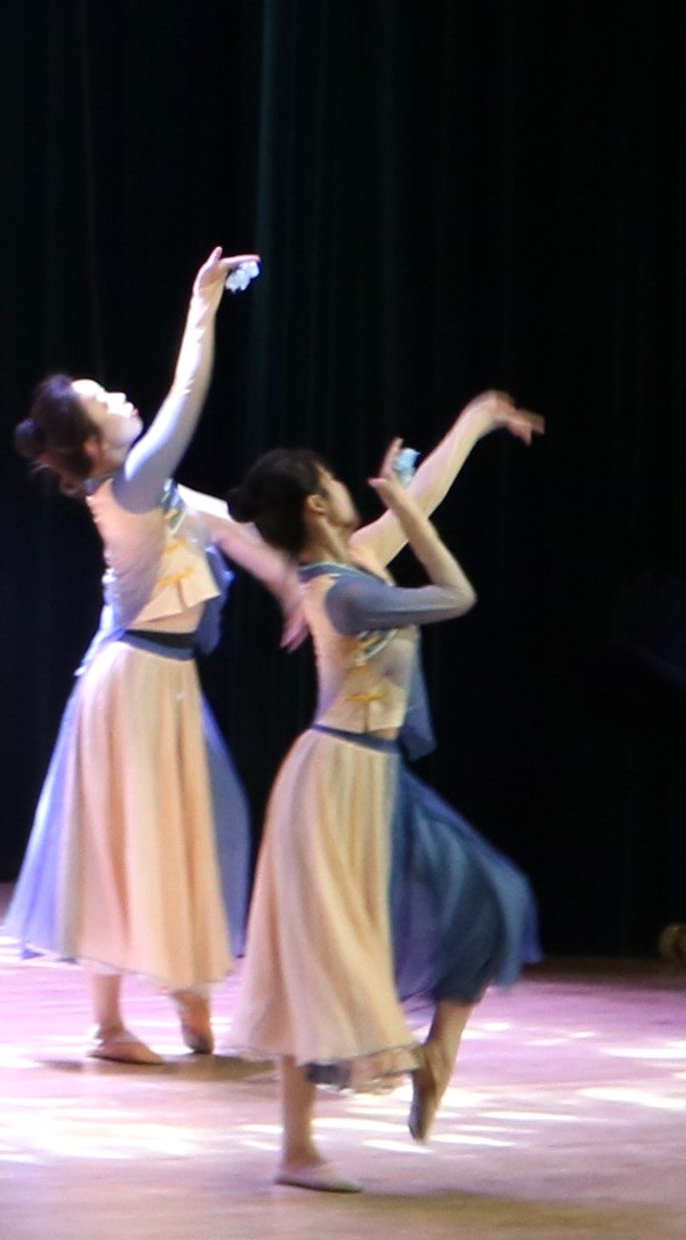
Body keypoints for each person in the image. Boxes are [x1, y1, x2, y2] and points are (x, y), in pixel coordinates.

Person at [226, 409, 542, 1190]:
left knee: (494, 895)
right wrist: (402, 506)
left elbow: (423, 491)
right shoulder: (341, 593)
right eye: (334, 480)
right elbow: (457, 594)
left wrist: (478, 419)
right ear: (316, 505)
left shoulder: (357, 558)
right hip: (335, 783)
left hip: (375, 774)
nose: (347, 485)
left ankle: (436, 1056)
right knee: (316, 957)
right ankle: (297, 1151)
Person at [5, 248, 284, 1063]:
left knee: (157, 833)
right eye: (104, 401)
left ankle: (166, 1000)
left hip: (150, 679)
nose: (119, 397)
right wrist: (203, 307)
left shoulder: (150, 491)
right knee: (145, 837)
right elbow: (186, 399)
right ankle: (138, 1014)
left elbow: (233, 530)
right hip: (137, 681)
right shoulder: (127, 486)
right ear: (94, 446)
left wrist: (298, 586)